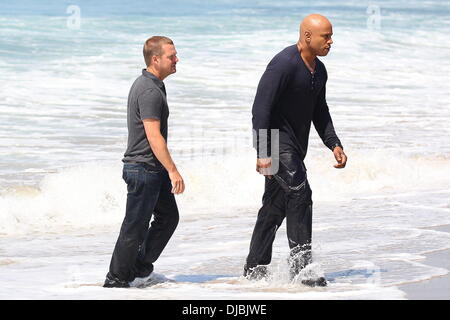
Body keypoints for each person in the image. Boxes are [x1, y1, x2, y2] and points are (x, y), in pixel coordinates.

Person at [244, 14, 347, 286]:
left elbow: (320, 111)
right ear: (307, 36)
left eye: (330, 35)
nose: (330, 41)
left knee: (274, 208)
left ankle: (254, 268)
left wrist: (333, 142)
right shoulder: (283, 65)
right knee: (301, 193)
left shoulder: (319, 70)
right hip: (277, 143)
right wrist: (263, 153)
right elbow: (260, 109)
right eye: (326, 36)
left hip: (294, 148)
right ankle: (304, 272)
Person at [104, 36, 185, 288]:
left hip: (151, 168)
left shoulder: (152, 84)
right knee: (135, 226)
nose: (176, 60)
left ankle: (138, 269)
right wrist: (173, 170)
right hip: (143, 168)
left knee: (168, 217)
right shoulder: (149, 89)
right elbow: (153, 135)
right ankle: (115, 280)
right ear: (155, 59)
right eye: (172, 56)